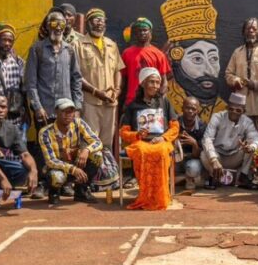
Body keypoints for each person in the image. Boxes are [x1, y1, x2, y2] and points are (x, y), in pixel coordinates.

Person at [26, 9, 83, 198]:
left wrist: (77, 107)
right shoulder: (37, 49)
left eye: (61, 24)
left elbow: (76, 79)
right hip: (45, 108)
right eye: (53, 23)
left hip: (66, 110)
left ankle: (65, 182)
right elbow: (31, 82)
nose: (58, 27)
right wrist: (37, 106)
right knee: (43, 148)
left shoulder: (70, 49)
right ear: (47, 26)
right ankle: (43, 184)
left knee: (66, 148)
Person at [119, 67, 180, 210]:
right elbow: (124, 131)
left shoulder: (164, 102)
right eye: (151, 82)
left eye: (157, 82)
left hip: (161, 141)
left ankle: (160, 197)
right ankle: (145, 197)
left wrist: (164, 138)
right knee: (141, 151)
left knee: (161, 152)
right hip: (141, 142)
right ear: (142, 83)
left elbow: (175, 127)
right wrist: (137, 135)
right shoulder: (132, 105)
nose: (155, 85)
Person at [39, 98, 116, 205]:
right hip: (57, 168)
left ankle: (82, 191)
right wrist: (73, 169)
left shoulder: (78, 123)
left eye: (71, 111)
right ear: (56, 112)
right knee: (56, 177)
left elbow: (98, 142)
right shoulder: (45, 132)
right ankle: (54, 192)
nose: (68, 114)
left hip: (76, 163)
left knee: (97, 155)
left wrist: (86, 150)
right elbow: (50, 160)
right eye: (64, 111)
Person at [73, 8, 124, 152]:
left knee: (107, 143)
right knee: (89, 142)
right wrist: (96, 92)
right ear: (89, 23)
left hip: (110, 103)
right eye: (96, 20)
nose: (100, 23)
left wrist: (117, 90)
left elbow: (117, 70)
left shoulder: (111, 45)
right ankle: (91, 173)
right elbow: (76, 76)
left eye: (102, 20)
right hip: (90, 103)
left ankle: (105, 173)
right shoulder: (78, 45)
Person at [201, 93, 258, 190]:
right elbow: (207, 139)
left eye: (238, 110)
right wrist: (214, 160)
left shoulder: (247, 122)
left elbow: (255, 138)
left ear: (243, 111)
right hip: (218, 157)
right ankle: (214, 177)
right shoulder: (217, 117)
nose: (234, 112)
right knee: (204, 154)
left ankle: (243, 178)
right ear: (227, 107)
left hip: (235, 156)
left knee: (253, 149)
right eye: (231, 109)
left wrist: (250, 147)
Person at [225, 18, 258, 131]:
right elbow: (228, 74)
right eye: (248, 28)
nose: (251, 31)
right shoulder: (237, 52)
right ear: (244, 32)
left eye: (254, 29)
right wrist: (235, 80)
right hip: (240, 107)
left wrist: (256, 85)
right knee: (241, 136)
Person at [120, 17, 171, 106]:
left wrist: (160, 97)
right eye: (139, 31)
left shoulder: (158, 54)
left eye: (145, 30)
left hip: (152, 102)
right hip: (132, 101)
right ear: (135, 33)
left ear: (150, 32)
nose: (142, 33)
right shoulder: (126, 53)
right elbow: (122, 80)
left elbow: (164, 81)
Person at [177, 96, 205, 192]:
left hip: (192, 159)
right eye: (187, 108)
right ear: (182, 108)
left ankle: (187, 178)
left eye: (193, 109)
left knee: (194, 169)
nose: (190, 111)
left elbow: (198, 155)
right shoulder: (175, 123)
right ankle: (184, 178)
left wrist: (194, 143)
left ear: (197, 111)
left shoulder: (202, 127)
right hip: (177, 159)